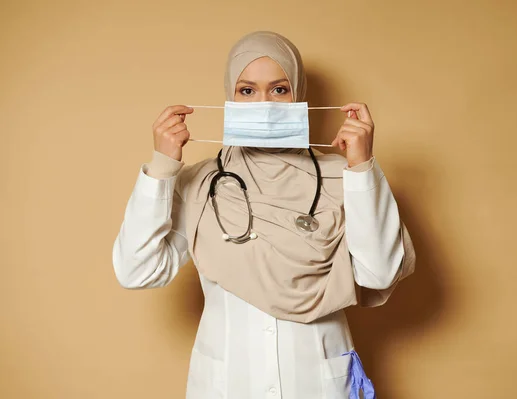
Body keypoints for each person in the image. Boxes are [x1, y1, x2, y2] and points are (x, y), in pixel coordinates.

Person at [112, 31, 415, 399]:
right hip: (228, 385)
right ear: (229, 95)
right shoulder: (200, 185)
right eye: (247, 91)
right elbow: (136, 270)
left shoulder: (344, 176)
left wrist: (362, 167)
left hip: (317, 384)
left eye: (279, 90)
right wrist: (162, 167)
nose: (264, 103)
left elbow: (380, 272)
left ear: (299, 95)